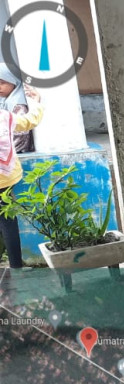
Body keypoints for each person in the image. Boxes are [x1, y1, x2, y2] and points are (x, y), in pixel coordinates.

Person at [0, 63, 44, 269]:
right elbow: (30, 121)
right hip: (6, 177)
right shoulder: (5, 116)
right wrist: (36, 102)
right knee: (8, 221)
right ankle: (16, 265)